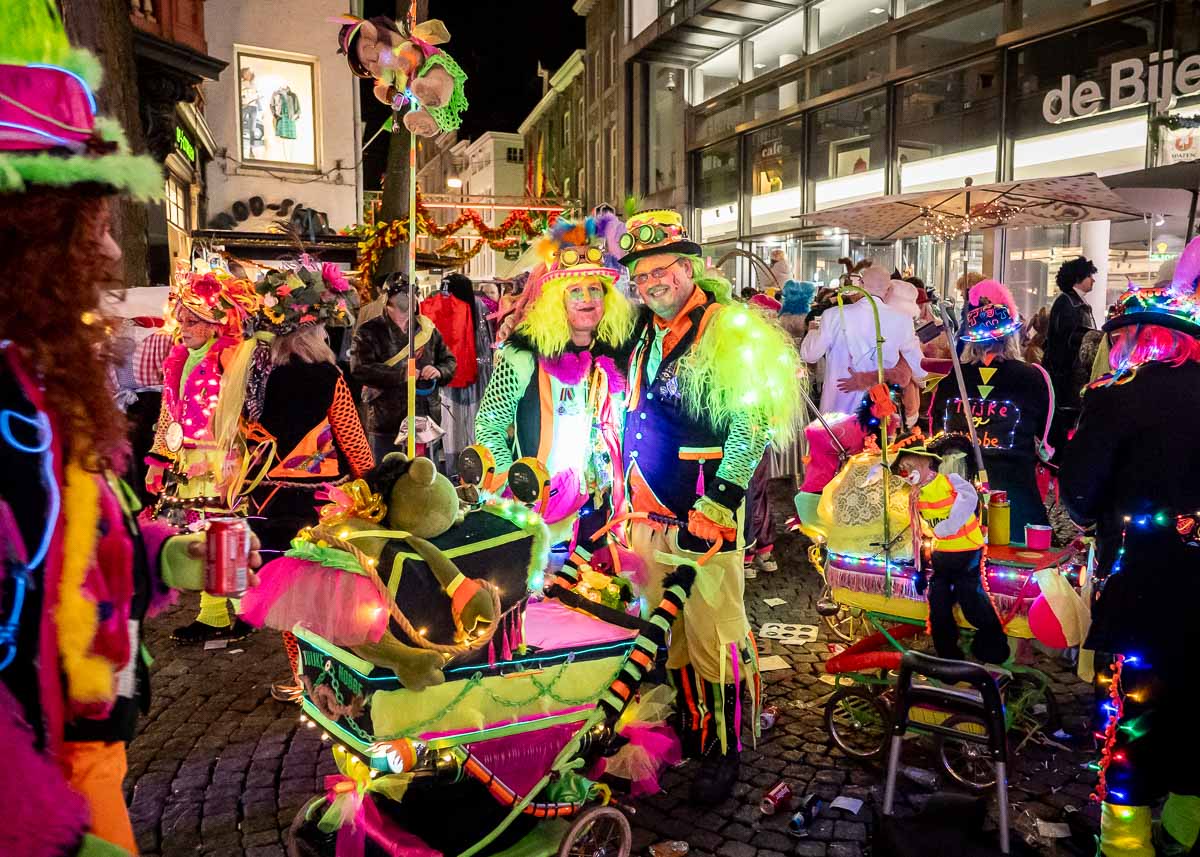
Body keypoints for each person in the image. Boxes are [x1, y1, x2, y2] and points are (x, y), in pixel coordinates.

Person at [0, 8, 262, 851]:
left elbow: (68, 555)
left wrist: (162, 558)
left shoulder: (41, 381)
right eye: (93, 226)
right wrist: (56, 837)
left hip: (89, 758)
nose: (113, 254)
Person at [617, 209, 802, 804]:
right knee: (666, 629)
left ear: (689, 268)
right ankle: (692, 729)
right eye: (642, 276)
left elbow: (751, 423)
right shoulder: (643, 332)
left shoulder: (727, 330)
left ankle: (725, 748)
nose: (652, 283)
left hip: (702, 510)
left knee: (714, 634)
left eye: (662, 271)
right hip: (645, 506)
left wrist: (721, 503)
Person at [1060, 235, 1200, 857]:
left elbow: (1079, 495)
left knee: (1134, 714)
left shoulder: (1117, 395)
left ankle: (1125, 842)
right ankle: (1187, 828)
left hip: (1143, 582)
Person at [474, 215, 631, 566]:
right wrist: (515, 483)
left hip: (600, 509)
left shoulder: (616, 354)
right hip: (539, 511)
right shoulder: (522, 355)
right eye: (575, 291)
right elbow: (489, 424)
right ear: (555, 300)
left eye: (595, 290)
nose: (587, 299)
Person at [145, 270, 258, 644]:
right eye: (182, 320)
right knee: (203, 535)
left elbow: (244, 411)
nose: (185, 327)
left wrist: (235, 458)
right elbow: (168, 414)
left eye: (193, 321)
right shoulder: (178, 359)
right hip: (188, 462)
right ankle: (221, 614)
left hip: (221, 461)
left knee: (224, 534)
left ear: (214, 324)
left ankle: (239, 612)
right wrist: (159, 460)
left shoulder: (231, 356)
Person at [928, 280, 1053, 537]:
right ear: (1012, 337)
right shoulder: (1035, 377)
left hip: (954, 500)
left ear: (971, 341)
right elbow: (1049, 442)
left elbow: (934, 434)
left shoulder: (952, 379)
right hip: (1016, 499)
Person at [892, 439, 1009, 665]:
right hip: (942, 555)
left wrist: (949, 525)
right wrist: (920, 567)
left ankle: (992, 648)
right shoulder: (915, 495)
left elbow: (969, 499)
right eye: (902, 467)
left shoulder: (950, 481)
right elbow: (920, 530)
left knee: (972, 599)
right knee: (938, 606)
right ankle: (947, 655)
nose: (905, 471)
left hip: (966, 550)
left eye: (909, 465)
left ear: (925, 462)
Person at [350, 274, 456, 463]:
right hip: (387, 420)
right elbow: (360, 369)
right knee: (388, 473)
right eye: (406, 294)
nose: (412, 298)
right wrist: (401, 374)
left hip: (425, 418)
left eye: (414, 293)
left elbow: (449, 361)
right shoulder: (369, 331)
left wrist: (439, 371)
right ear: (389, 299)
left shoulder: (427, 329)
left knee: (424, 475)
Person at [801, 265, 928, 416]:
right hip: (878, 409)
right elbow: (920, 368)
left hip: (837, 409)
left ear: (860, 284)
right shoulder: (903, 320)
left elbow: (809, 355)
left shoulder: (832, 315)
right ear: (888, 289)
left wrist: (812, 331)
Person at [423, 272, 493, 476]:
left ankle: (455, 470)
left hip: (450, 376)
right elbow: (487, 342)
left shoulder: (443, 307)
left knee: (452, 425)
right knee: (475, 422)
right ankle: (478, 470)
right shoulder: (480, 306)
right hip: (479, 376)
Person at [1043, 256, 1097, 437]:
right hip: (1068, 376)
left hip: (1069, 375)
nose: (1093, 280)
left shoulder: (1071, 301)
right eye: (1089, 276)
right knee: (1066, 422)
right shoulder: (1067, 302)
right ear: (1078, 278)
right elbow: (1065, 340)